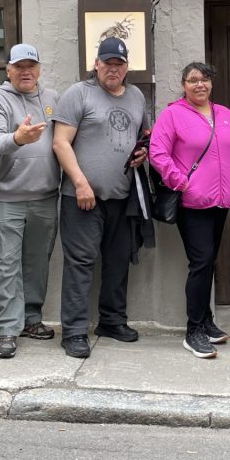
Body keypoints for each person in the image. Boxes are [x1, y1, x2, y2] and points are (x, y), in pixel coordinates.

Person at [52, 37, 149, 359]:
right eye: (107, 63)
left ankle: (111, 321)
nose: (113, 68)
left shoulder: (136, 96)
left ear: (126, 67)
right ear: (96, 64)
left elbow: (144, 138)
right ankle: (75, 332)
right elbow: (60, 143)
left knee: (119, 261)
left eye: (119, 64)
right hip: (81, 198)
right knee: (80, 263)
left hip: (123, 196)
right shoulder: (78, 93)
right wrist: (80, 183)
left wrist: (142, 153)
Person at [149, 62, 230, 359]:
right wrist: (181, 182)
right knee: (201, 262)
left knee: (207, 262)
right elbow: (157, 153)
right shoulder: (172, 115)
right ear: (184, 85)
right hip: (192, 203)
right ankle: (193, 330)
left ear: (211, 84)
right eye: (193, 80)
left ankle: (206, 322)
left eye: (205, 79)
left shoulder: (226, 115)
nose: (200, 85)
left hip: (221, 202)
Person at [0, 43, 61, 359]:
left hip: (45, 197)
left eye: (31, 66)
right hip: (7, 198)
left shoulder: (53, 98)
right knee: (6, 265)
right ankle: (6, 330)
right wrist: (18, 138)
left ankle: (31, 320)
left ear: (39, 69)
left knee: (37, 263)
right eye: (19, 66)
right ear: (9, 69)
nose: (26, 71)